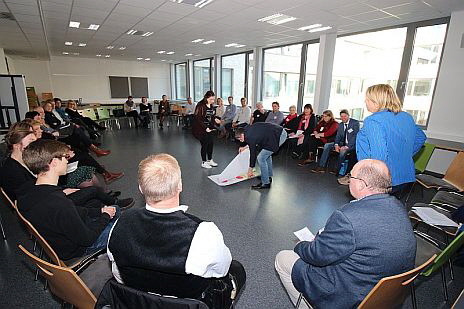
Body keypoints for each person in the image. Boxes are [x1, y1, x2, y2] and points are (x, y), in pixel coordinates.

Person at [107, 154, 246, 308]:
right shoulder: (202, 232)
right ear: (180, 185)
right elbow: (221, 270)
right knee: (236, 269)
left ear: (140, 188)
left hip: (140, 301)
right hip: (189, 302)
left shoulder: (120, 224)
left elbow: (118, 274)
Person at [275, 159, 416, 309]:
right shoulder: (398, 206)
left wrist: (300, 246)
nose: (349, 180)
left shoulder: (348, 217)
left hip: (350, 295)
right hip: (384, 293)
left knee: (283, 258)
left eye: (351, 176)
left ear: (361, 184)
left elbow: (316, 256)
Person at [18, 139, 121, 260]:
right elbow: (88, 239)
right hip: (78, 248)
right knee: (127, 227)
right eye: (65, 156)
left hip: (61, 241)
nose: (68, 160)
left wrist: (100, 212)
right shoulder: (59, 203)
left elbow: (72, 213)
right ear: (54, 162)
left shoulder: (28, 193)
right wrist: (105, 216)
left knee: (116, 209)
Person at [356, 84, 426, 195]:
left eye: (367, 99)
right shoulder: (406, 117)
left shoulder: (373, 121)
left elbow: (379, 157)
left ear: (376, 101)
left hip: (382, 179)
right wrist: (403, 154)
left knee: (374, 211)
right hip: (404, 176)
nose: (365, 101)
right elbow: (421, 137)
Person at [43, 101, 110, 157]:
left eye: (50, 106)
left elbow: (60, 121)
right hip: (59, 131)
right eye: (48, 106)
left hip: (62, 127)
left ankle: (92, 148)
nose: (50, 107)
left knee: (80, 128)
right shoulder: (48, 115)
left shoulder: (52, 113)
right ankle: (94, 146)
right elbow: (56, 124)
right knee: (77, 128)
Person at [235, 122, 287, 189]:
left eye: (240, 138)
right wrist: (245, 147)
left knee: (261, 158)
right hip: (275, 132)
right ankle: (267, 176)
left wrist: (250, 169)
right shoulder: (247, 130)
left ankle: (266, 183)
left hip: (279, 135)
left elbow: (253, 153)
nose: (241, 141)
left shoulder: (250, 136)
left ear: (242, 134)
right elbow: (253, 141)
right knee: (266, 156)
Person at [311, 109, 359, 174]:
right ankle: (321, 166)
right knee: (327, 145)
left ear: (348, 116)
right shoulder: (341, 124)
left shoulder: (355, 123)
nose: (343, 118)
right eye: (341, 116)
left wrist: (347, 146)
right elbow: (338, 136)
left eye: (345, 116)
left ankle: (337, 168)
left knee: (342, 151)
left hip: (351, 145)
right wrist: (336, 144)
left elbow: (355, 136)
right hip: (341, 143)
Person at [192, 91, 221, 168]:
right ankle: (204, 162)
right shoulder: (200, 105)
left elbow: (211, 116)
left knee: (211, 143)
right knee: (204, 144)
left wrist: (215, 120)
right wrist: (206, 128)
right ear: (206, 98)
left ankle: (210, 160)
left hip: (209, 127)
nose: (212, 101)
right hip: (200, 128)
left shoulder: (211, 105)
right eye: (211, 99)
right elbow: (198, 119)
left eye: (213, 99)